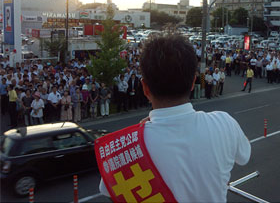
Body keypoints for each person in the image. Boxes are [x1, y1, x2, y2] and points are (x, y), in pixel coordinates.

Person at [97, 32, 250, 203]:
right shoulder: (225, 123)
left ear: (145, 88)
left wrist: (136, 134)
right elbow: (244, 156)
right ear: (193, 82)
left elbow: (110, 192)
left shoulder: (123, 149)